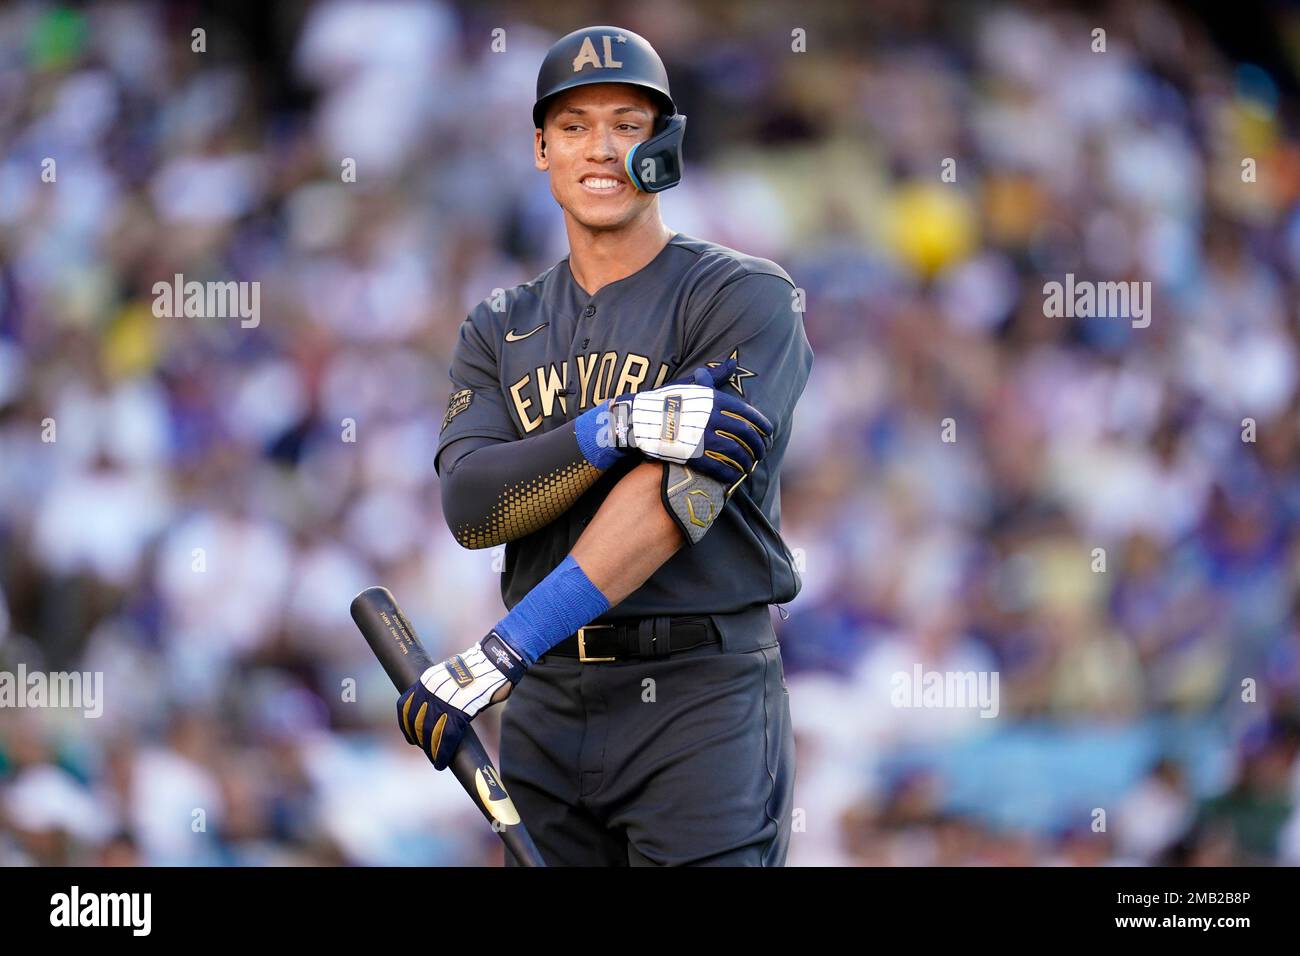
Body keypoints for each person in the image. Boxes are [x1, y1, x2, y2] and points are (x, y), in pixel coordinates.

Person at [395, 24, 813, 866]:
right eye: (576, 125)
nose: (601, 148)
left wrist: (500, 650)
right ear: (541, 147)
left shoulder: (742, 296)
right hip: (548, 705)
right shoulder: (499, 326)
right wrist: (608, 428)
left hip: (699, 696)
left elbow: (672, 498)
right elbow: (474, 507)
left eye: (628, 123)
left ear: (664, 143)